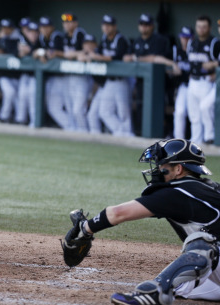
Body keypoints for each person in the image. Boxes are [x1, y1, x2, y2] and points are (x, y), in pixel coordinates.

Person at [64, 139, 220, 304]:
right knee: (181, 285)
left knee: (202, 243)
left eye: (162, 165)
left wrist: (85, 228)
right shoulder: (210, 188)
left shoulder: (177, 193)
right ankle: (161, 288)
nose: (158, 169)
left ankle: (155, 293)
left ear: (178, 169)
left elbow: (118, 213)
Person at [84, 15, 133, 137]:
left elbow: (117, 58)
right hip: (109, 82)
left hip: (121, 80)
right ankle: (122, 133)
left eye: (109, 25)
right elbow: (97, 53)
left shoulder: (120, 39)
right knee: (104, 112)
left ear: (114, 26)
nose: (106, 27)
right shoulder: (104, 39)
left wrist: (97, 57)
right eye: (104, 25)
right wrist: (90, 55)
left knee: (124, 112)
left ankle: (128, 135)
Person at [186, 15, 220, 144]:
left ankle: (209, 138)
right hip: (193, 81)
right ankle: (196, 141)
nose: (201, 29)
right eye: (199, 27)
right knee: (194, 114)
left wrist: (212, 65)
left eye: (204, 27)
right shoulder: (192, 42)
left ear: (209, 28)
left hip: (207, 81)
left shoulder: (214, 43)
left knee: (205, 109)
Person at [34, 16, 69, 130]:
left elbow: (52, 53)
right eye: (42, 27)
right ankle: (70, 129)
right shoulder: (41, 37)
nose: (44, 29)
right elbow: (33, 52)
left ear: (52, 27)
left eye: (47, 27)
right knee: (52, 107)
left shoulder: (57, 36)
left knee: (72, 108)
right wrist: (40, 53)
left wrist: (42, 53)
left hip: (66, 77)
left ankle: (74, 130)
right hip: (55, 78)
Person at [60, 13, 89, 132]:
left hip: (81, 76)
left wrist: (72, 54)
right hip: (68, 75)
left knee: (78, 109)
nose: (67, 24)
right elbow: (60, 52)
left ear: (75, 23)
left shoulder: (80, 34)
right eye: (65, 22)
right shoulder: (64, 36)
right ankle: (74, 133)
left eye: (69, 22)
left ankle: (85, 132)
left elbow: (87, 51)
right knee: (70, 108)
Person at [0, 18, 22, 124]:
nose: (5, 30)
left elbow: (15, 52)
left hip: (17, 74)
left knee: (18, 98)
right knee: (10, 93)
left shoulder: (18, 38)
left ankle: (19, 119)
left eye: (7, 28)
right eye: (3, 28)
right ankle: (3, 116)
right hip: (4, 74)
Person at [172, 27, 193, 140]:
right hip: (183, 86)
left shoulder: (195, 50)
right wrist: (172, 67)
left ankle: (198, 140)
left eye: (187, 38)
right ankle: (178, 140)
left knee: (195, 114)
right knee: (179, 112)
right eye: (183, 37)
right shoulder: (176, 51)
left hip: (195, 85)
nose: (184, 40)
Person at [17, 21, 40, 127]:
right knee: (21, 97)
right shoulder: (22, 41)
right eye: (31, 32)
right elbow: (16, 53)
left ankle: (34, 123)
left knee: (33, 98)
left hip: (37, 77)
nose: (33, 34)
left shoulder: (41, 42)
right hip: (25, 75)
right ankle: (20, 121)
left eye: (36, 32)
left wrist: (32, 51)